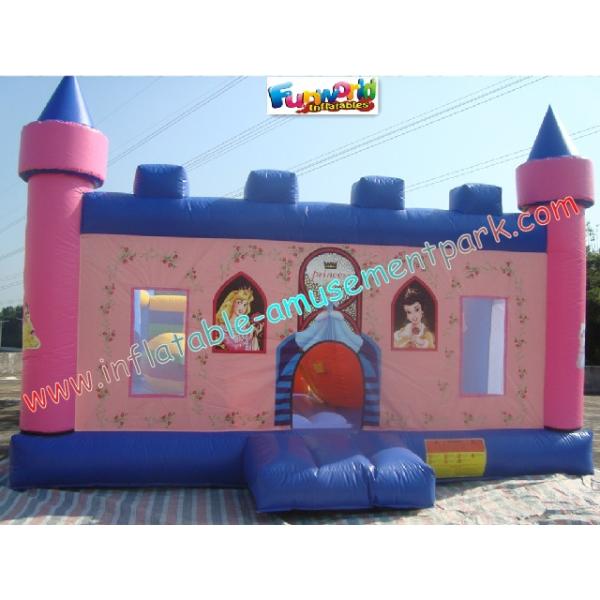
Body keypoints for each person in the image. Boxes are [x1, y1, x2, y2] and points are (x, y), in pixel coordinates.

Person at [216, 287, 263, 352]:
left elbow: (255, 351)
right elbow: (232, 348)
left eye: (245, 304)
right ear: (232, 303)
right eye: (239, 302)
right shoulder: (222, 327)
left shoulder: (247, 325)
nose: (242, 307)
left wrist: (255, 336)